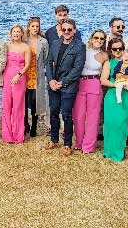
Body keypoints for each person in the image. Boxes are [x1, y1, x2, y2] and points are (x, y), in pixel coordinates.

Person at [45, 18, 86, 156]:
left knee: (67, 115)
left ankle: (67, 144)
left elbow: (77, 69)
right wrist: (50, 80)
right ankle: (54, 139)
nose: (67, 32)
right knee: (54, 112)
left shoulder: (80, 46)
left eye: (69, 29)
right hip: (53, 85)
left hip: (68, 86)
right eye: (64, 29)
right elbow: (48, 63)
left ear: (74, 30)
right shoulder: (55, 43)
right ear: (60, 30)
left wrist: (62, 82)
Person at [101, 39, 128, 162]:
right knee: (109, 124)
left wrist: (123, 78)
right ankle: (108, 150)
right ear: (111, 50)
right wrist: (117, 84)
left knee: (120, 124)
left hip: (127, 96)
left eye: (120, 49)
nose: (118, 51)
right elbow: (103, 80)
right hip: (112, 95)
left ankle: (119, 150)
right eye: (114, 49)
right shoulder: (108, 63)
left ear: (124, 49)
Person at [72, 29, 108, 153]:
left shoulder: (104, 55)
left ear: (104, 41)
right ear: (92, 38)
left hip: (94, 83)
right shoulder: (83, 51)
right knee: (78, 115)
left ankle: (88, 146)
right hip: (80, 84)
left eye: (101, 38)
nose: (98, 40)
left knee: (93, 116)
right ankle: (79, 142)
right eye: (96, 38)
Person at [2, 25, 31, 144]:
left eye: (18, 32)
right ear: (10, 34)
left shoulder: (26, 47)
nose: (16, 34)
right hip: (7, 76)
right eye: (14, 32)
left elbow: (27, 65)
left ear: (21, 34)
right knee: (7, 105)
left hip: (20, 77)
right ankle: (7, 135)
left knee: (18, 106)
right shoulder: (6, 46)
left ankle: (18, 135)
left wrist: (18, 75)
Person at [24, 17, 49, 137]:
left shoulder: (43, 42)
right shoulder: (24, 40)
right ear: (28, 27)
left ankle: (34, 126)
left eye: (37, 26)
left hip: (36, 76)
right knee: (23, 102)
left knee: (34, 102)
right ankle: (25, 124)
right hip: (24, 75)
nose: (35, 28)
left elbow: (46, 59)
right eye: (33, 26)